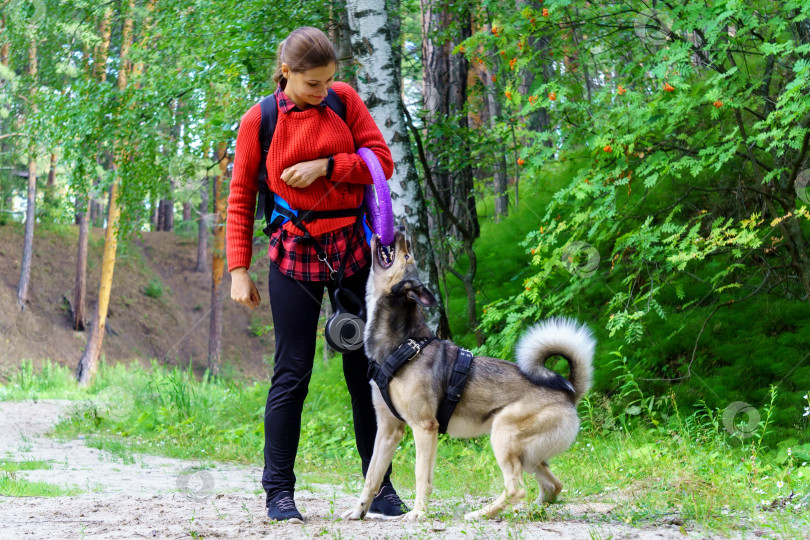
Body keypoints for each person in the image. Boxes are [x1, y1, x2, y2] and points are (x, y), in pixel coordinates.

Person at [225, 26, 407, 523]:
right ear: (286, 73)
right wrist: (239, 269)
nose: (322, 92)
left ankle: (380, 487)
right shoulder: (259, 121)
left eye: (329, 82)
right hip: (294, 258)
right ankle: (278, 493)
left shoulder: (344, 102)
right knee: (292, 374)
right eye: (312, 85)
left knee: (364, 373)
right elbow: (240, 198)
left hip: (349, 252)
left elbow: (382, 164)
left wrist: (329, 165)